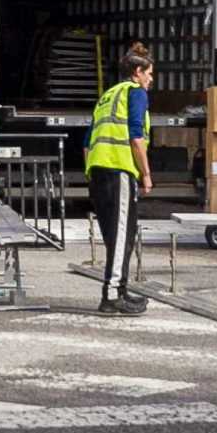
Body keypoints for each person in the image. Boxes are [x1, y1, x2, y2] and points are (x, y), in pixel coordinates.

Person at [85, 50, 155, 316]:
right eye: (149, 73)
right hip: (119, 170)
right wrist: (145, 174)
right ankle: (112, 294)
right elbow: (136, 136)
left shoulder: (107, 96)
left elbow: (87, 140)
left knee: (116, 237)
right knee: (122, 238)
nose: (151, 79)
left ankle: (120, 289)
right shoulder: (135, 93)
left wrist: (90, 170)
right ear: (137, 72)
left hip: (99, 171)